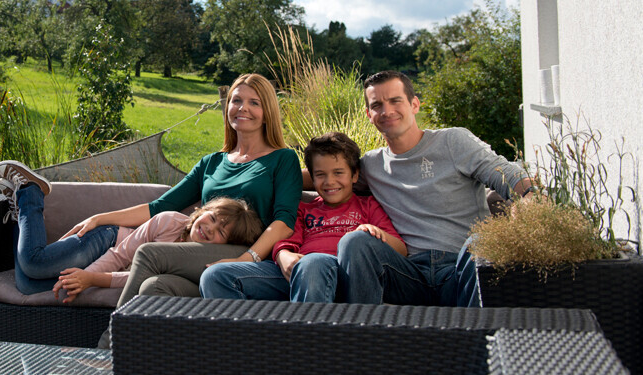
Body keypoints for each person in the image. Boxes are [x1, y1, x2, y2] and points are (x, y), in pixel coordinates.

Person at [81, 74, 302, 347]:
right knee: (155, 287)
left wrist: (248, 257)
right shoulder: (212, 162)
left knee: (150, 253)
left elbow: (284, 221)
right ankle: (142, 360)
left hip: (248, 254)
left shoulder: (283, 159)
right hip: (204, 256)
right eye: (236, 100)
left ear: (267, 112)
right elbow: (160, 207)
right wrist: (99, 218)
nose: (243, 108)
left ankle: (107, 348)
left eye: (254, 102)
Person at [334, 70, 536, 307]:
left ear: (414, 104)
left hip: (462, 269)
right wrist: (282, 170)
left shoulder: (453, 142)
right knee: (355, 242)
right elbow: (327, 176)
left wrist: (530, 196)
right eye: (377, 105)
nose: (386, 111)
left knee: (482, 241)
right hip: (408, 274)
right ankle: (360, 336)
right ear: (369, 115)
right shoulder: (371, 165)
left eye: (395, 100)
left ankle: (477, 339)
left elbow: (506, 173)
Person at [0, 160, 264, 301]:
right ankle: (30, 192)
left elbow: (134, 278)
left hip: (108, 264)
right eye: (213, 218)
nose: (210, 228)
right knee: (34, 262)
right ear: (201, 212)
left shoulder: (192, 262)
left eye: (221, 232)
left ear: (225, 245)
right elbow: (121, 256)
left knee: (29, 286)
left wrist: (86, 280)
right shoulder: (169, 221)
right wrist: (87, 276)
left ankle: (20, 213)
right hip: (105, 242)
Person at [200, 132, 406, 303]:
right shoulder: (303, 209)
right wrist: (283, 256)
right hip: (296, 273)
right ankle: (249, 346)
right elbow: (285, 241)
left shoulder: (367, 206)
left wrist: (376, 236)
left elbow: (402, 250)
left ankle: (304, 346)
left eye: (338, 173)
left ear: (354, 175)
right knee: (216, 276)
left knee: (314, 263)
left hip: (345, 277)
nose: (329, 181)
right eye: (320, 175)